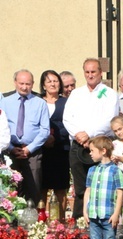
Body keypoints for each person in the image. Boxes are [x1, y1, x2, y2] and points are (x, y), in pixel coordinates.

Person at [63, 57, 119, 219]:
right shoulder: (76, 93)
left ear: (101, 73)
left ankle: (99, 221)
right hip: (78, 145)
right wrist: (79, 135)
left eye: (93, 71)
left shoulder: (109, 94)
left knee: (98, 186)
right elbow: (68, 117)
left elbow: (110, 118)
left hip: (99, 146)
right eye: (87, 72)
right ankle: (80, 221)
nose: (90, 75)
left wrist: (89, 133)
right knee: (80, 188)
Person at [0, 69, 50, 205]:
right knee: (10, 191)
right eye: (21, 83)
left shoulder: (40, 103)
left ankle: (32, 223)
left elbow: (45, 130)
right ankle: (11, 223)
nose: (24, 87)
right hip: (10, 152)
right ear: (15, 82)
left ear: (33, 84)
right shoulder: (4, 102)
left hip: (32, 153)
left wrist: (29, 149)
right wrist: (10, 148)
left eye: (28, 84)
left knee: (33, 190)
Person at [83, 135, 123, 239]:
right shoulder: (92, 170)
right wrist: (85, 211)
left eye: (92, 150)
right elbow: (88, 190)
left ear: (103, 151)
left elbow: (120, 193)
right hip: (94, 214)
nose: (90, 153)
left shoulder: (115, 171)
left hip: (108, 215)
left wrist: (116, 213)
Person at [39, 69, 70, 219]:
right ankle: (41, 222)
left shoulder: (67, 102)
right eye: (49, 81)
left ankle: (61, 222)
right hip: (41, 151)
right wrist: (44, 139)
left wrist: (55, 137)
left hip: (61, 150)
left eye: (55, 80)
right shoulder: (37, 101)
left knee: (60, 189)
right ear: (43, 85)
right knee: (41, 188)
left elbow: (70, 123)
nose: (53, 83)